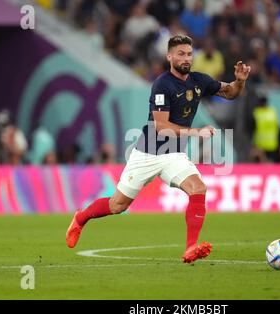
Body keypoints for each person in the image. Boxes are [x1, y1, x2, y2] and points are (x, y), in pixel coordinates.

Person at [66, 35, 251, 263]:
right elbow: (161, 127)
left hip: (174, 155)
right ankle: (81, 218)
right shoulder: (162, 85)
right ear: (169, 56)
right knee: (117, 205)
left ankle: (190, 247)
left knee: (198, 188)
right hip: (147, 153)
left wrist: (240, 81)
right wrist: (195, 132)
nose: (186, 58)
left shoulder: (199, 81)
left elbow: (230, 92)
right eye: (181, 54)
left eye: (189, 54)